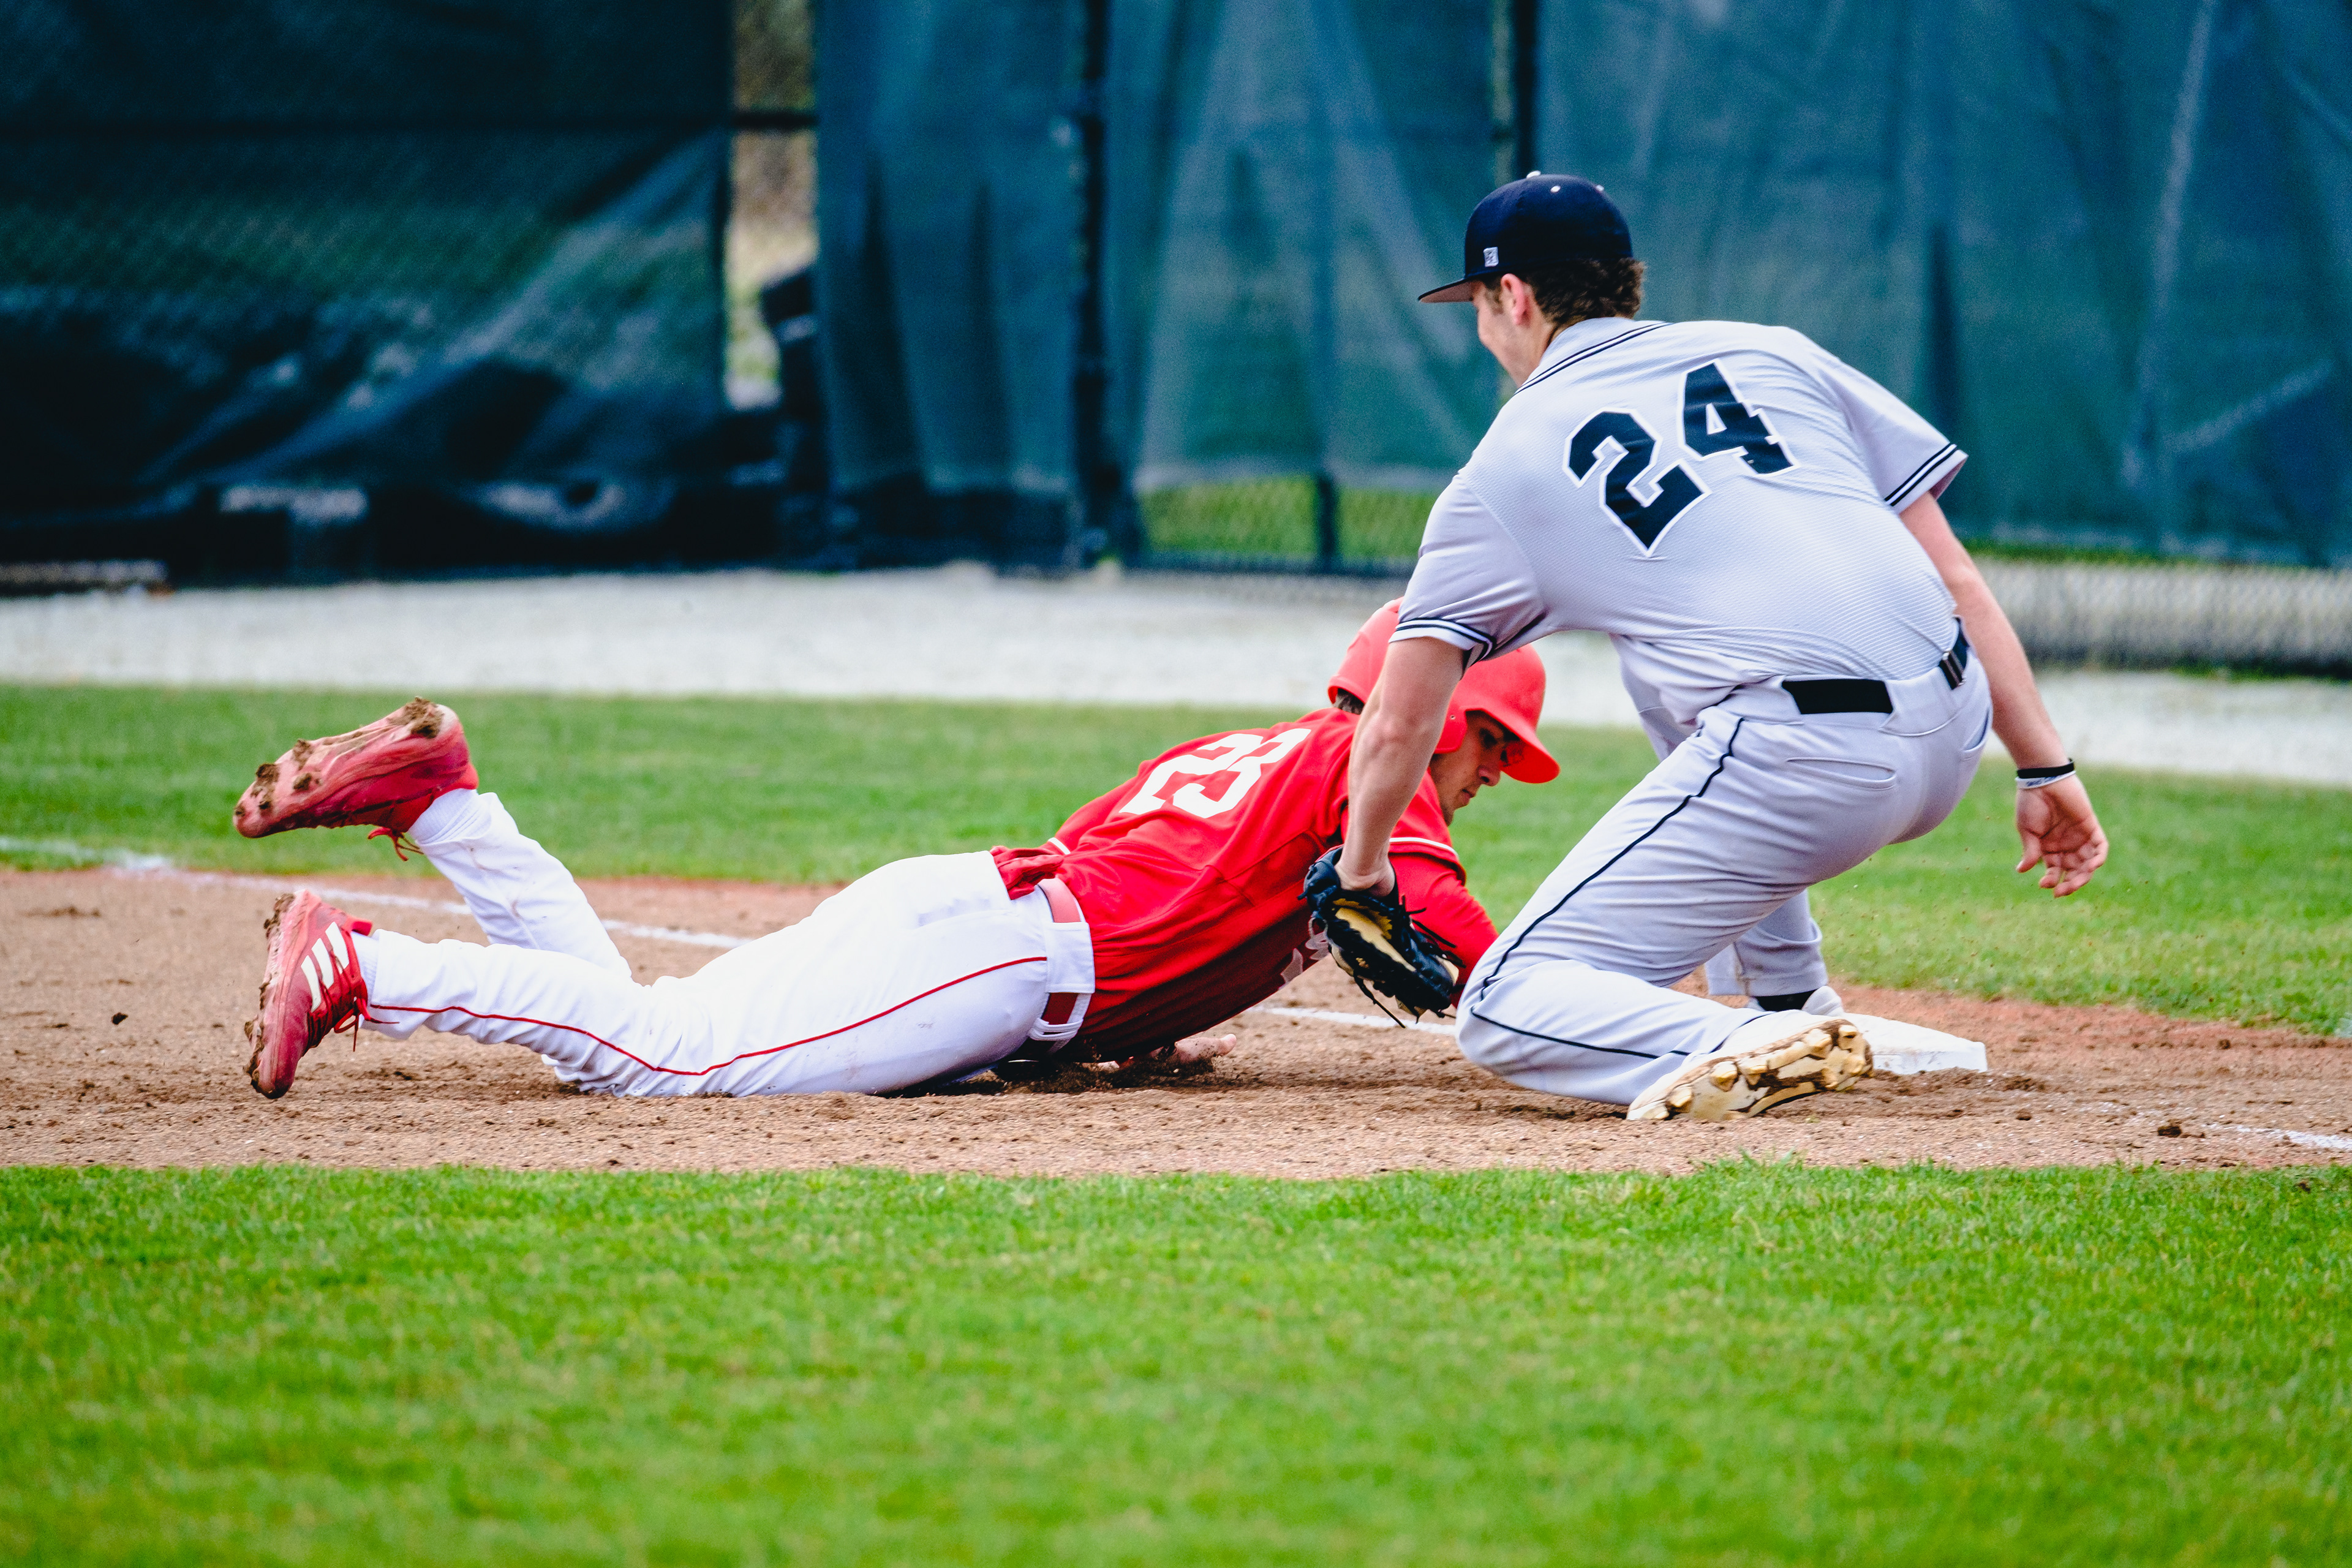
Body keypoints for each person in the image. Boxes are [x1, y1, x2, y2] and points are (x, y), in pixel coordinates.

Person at [1336, 173, 2108, 1121]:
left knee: (1503, 1006)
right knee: (1664, 664)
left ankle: (1741, 1039)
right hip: (1953, 738)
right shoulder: (1771, 352)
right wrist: (2042, 767)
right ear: (1626, 282)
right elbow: (1957, 582)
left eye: (1482, 306)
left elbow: (1404, 714)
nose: (1487, 330)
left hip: (1805, 770)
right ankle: (1789, 1001)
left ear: (1518, 298)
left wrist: (1363, 867)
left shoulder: (1507, 458)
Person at [232, 603, 1557, 1099]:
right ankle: (369, 963)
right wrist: (1581, 1018)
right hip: (993, 960)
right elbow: (1455, 923)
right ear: (1420, 713)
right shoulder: (1364, 774)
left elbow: (1117, 861)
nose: (1495, 770)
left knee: (655, 1019)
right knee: (664, 1062)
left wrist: (1142, 1030)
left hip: (970, 913)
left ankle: (447, 803)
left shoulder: (1251, 751)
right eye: (1491, 739)